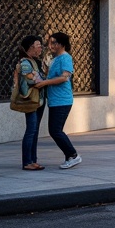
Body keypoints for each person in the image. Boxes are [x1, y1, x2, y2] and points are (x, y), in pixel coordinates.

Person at [37, 32, 81, 169]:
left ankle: (73, 155)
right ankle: (70, 156)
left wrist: (45, 83)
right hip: (55, 100)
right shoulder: (55, 58)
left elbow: (64, 78)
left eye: (54, 42)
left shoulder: (65, 58)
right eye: (50, 43)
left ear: (62, 44)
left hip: (62, 100)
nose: (51, 46)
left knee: (55, 130)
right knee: (55, 130)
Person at [15, 35, 46, 170]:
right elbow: (32, 80)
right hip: (30, 101)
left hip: (38, 100)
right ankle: (27, 162)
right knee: (31, 130)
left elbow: (40, 77)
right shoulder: (25, 63)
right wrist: (44, 80)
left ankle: (33, 160)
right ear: (30, 47)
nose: (40, 48)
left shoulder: (34, 62)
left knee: (35, 131)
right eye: (38, 45)